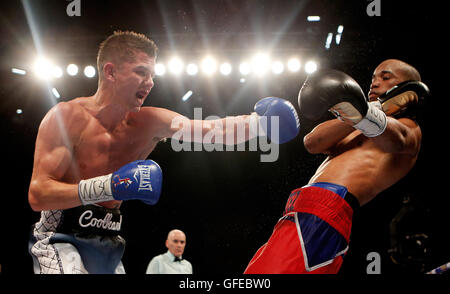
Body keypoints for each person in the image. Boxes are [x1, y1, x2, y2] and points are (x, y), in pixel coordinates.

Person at [27, 30, 300, 274]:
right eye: (141, 72)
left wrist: (260, 123)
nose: (151, 82)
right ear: (110, 72)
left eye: (153, 75)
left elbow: (212, 131)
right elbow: (38, 195)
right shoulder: (66, 117)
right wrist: (109, 187)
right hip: (60, 236)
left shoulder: (149, 122)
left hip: (108, 240)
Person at [244, 59, 430, 274]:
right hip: (305, 207)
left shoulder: (411, 128)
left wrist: (367, 113)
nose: (375, 83)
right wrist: (370, 109)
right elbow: (313, 142)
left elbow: (396, 138)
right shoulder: (355, 124)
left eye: (386, 77)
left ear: (406, 88)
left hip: (327, 207)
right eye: (374, 78)